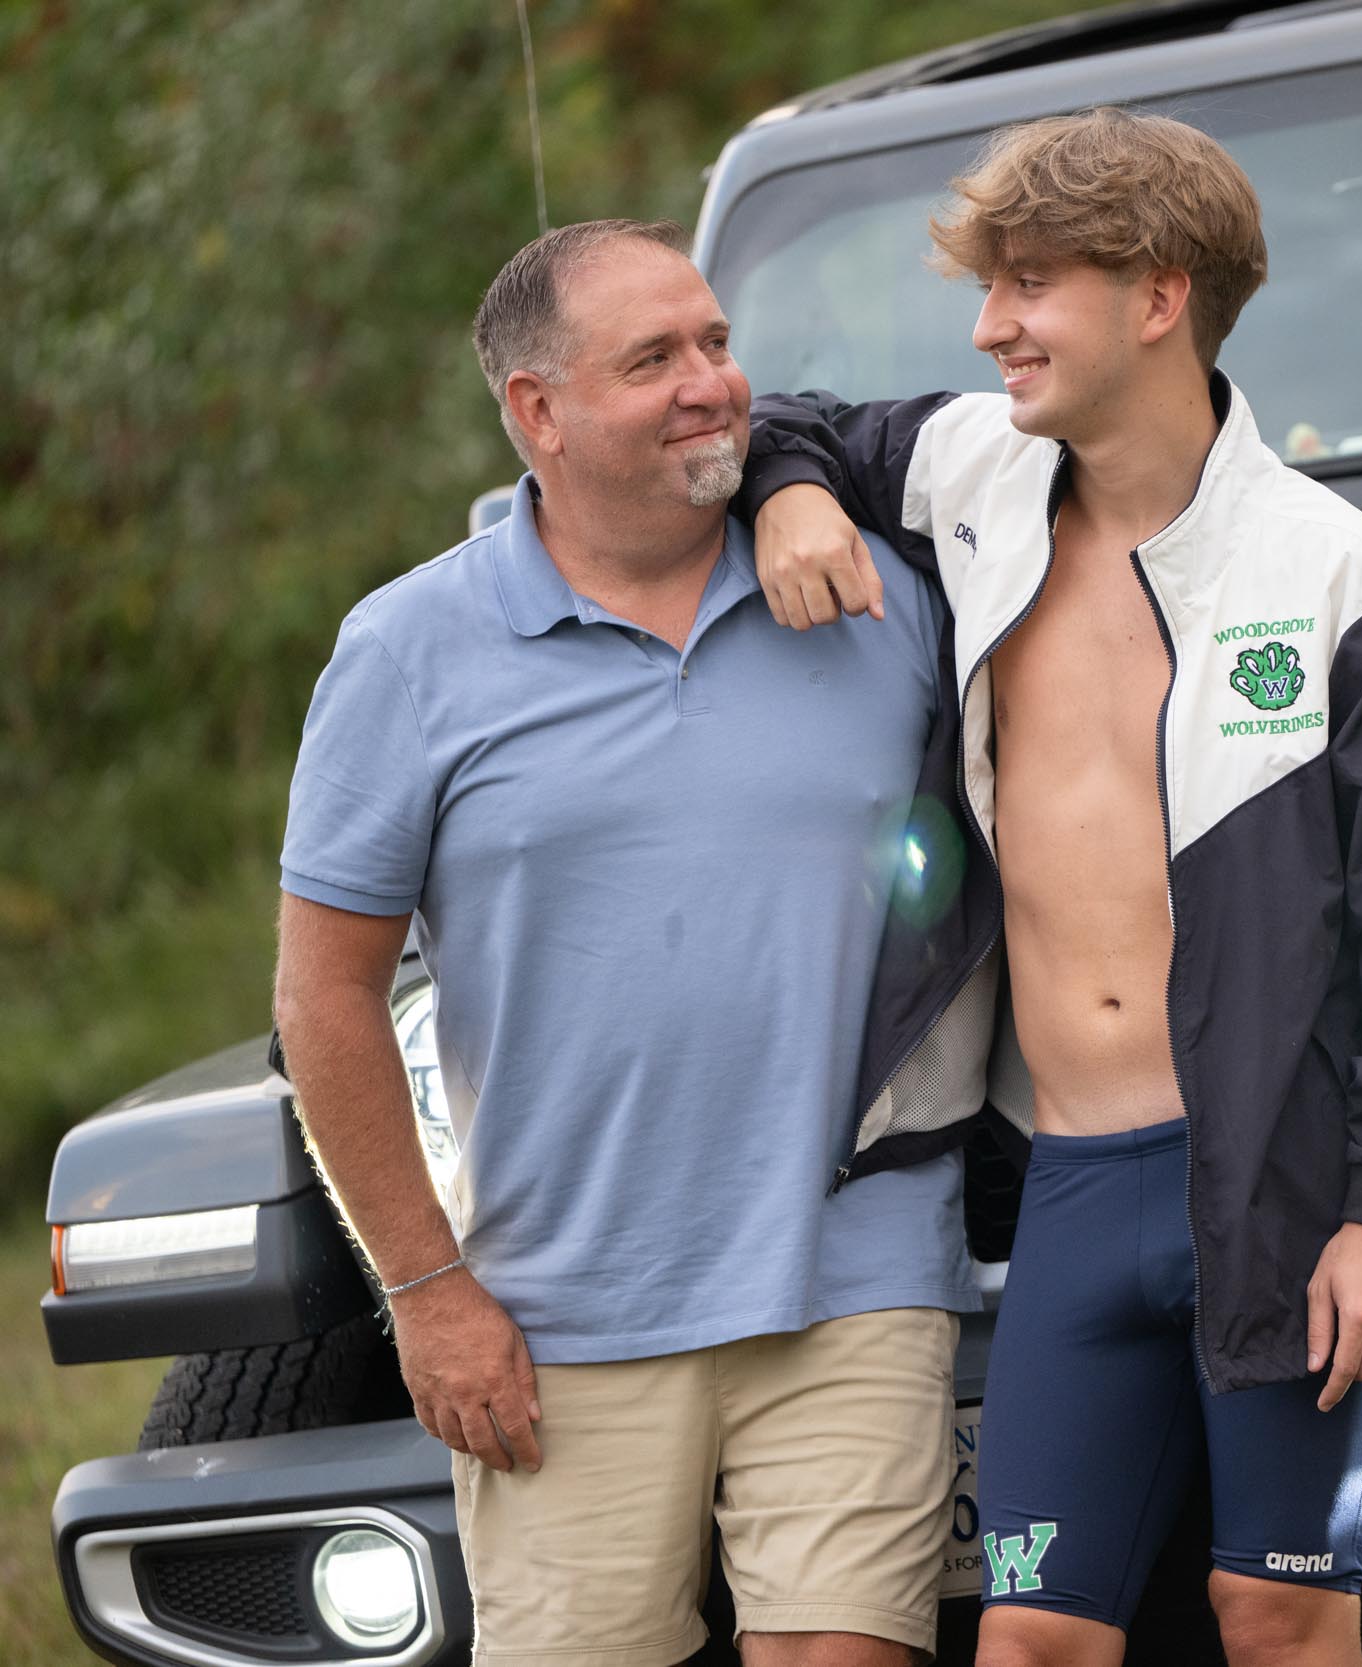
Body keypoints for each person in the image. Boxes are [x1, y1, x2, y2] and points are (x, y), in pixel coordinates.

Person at [734, 109, 1362, 1667]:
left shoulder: (1347, 583)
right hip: (1074, 1185)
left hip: (1286, 1187)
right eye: (990, 289)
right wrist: (791, 495)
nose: (990, 328)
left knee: (1281, 1616)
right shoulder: (970, 469)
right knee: (1032, 1640)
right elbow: (794, 423)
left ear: (1158, 296)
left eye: (1029, 285)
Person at [271, 217, 986, 1667]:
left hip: (856, 1264)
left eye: (716, 342)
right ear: (538, 411)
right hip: (560, 1312)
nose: (711, 383)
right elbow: (325, 997)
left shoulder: (882, 596)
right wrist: (427, 1292)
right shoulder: (406, 651)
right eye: (653, 358)